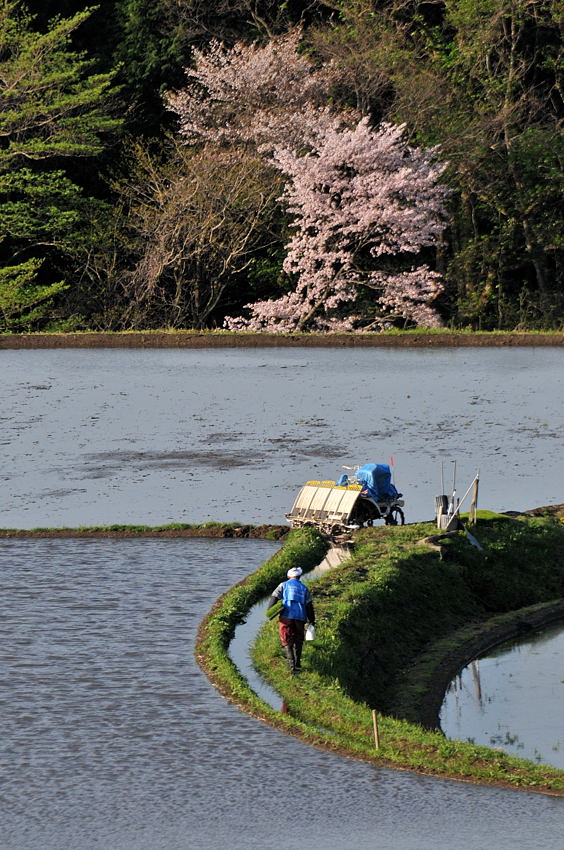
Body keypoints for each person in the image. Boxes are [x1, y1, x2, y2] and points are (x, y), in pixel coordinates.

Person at [267, 566, 315, 672]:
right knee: (298, 638)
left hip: (286, 615)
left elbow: (274, 597)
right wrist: (312, 619)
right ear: (299, 577)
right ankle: (298, 662)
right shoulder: (304, 588)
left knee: (286, 638)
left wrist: (270, 611)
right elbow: (309, 605)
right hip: (300, 615)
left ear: (288, 576)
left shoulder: (283, 585)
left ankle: (291, 664)